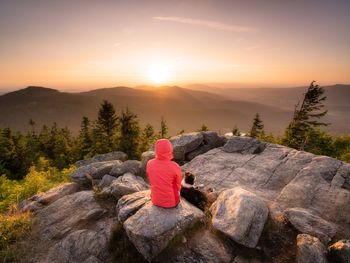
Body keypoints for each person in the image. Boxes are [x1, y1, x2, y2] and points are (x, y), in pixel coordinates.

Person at [146, 139, 182, 208]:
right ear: (170, 150)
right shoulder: (175, 166)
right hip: (171, 203)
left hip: (155, 200)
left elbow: (150, 179)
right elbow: (178, 185)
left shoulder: (149, 163)